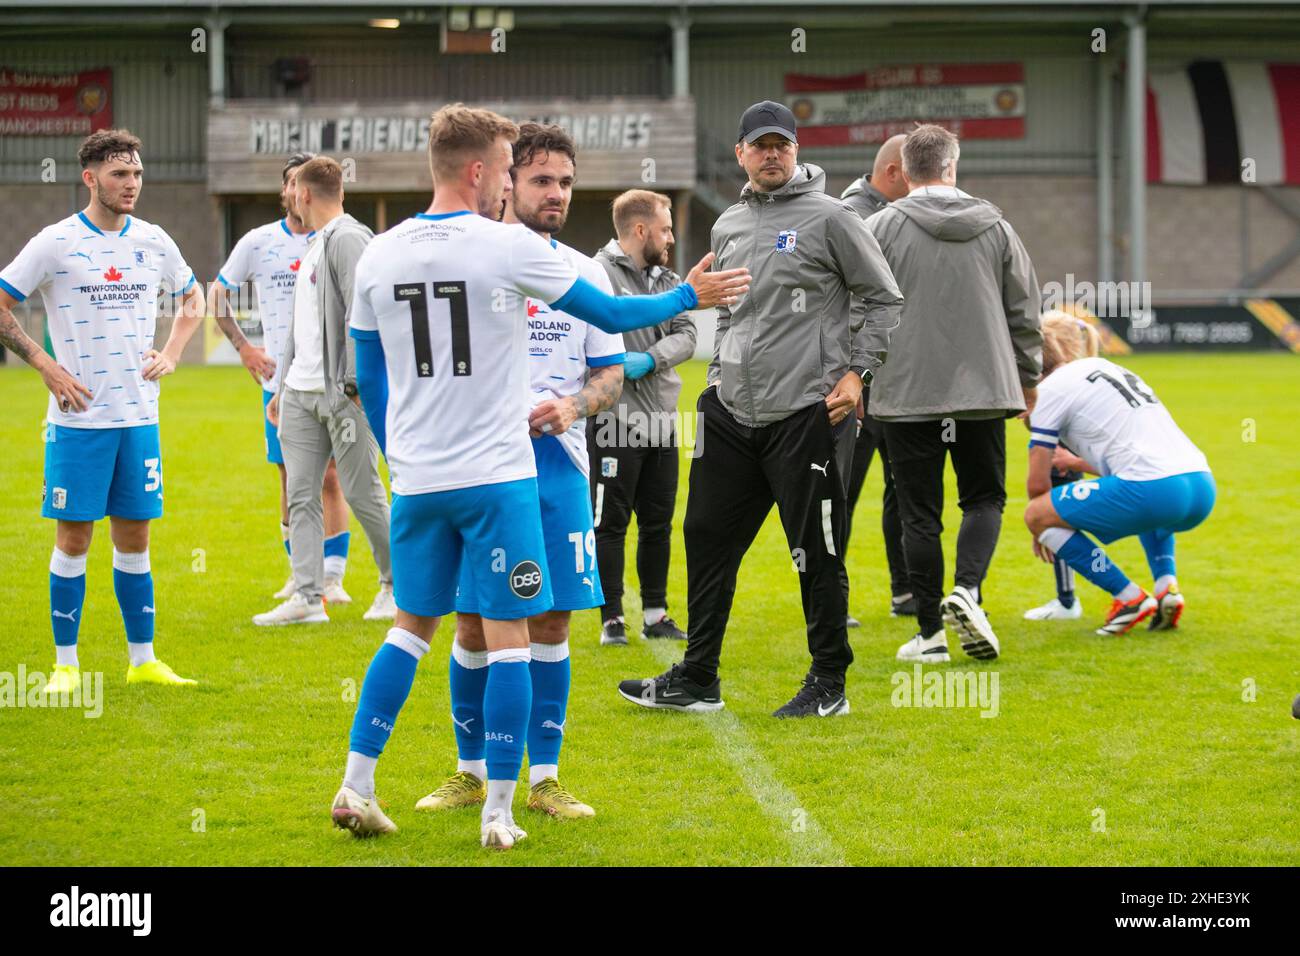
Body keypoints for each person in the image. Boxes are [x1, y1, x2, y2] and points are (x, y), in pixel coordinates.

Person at [330, 103, 747, 848]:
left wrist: (403, 454)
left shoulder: (380, 253)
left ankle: (356, 784)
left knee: (408, 631)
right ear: (486, 170)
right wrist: (689, 297)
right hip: (499, 473)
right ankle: (498, 811)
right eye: (517, 170)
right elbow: (616, 318)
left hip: (422, 478)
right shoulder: (502, 247)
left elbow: (367, 371)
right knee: (509, 637)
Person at [618, 99, 904, 719]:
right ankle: (699, 678)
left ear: (796, 152)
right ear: (742, 154)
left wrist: (857, 375)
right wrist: (718, 371)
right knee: (706, 537)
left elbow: (883, 298)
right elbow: (728, 311)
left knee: (816, 549)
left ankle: (830, 683)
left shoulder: (832, 218)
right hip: (730, 411)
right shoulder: (726, 225)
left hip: (808, 411)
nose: (771, 154)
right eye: (759, 144)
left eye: (782, 144)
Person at [415, 123, 625, 821]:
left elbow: (611, 372)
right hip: (477, 465)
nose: (557, 194)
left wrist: (574, 405)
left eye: (566, 182)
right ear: (505, 182)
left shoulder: (586, 274)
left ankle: (546, 779)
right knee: (473, 621)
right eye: (541, 180)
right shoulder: (469, 264)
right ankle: (470, 772)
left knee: (553, 619)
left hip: (558, 470)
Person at [0, 128, 205, 691]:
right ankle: (65, 667)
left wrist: (172, 351)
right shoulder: (55, 242)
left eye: (137, 173)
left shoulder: (155, 241)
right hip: (77, 422)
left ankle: (144, 661)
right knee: (73, 540)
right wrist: (46, 365)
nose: (132, 183)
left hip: (139, 417)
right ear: (90, 178)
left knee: (135, 540)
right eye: (120, 174)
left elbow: (195, 295)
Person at [866, 124, 1042, 665]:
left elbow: (856, 309)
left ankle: (929, 636)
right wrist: (1029, 381)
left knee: (919, 514)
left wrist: (856, 374)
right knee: (984, 499)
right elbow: (1025, 310)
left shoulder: (878, 228)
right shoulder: (998, 228)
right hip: (984, 390)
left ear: (906, 169)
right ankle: (967, 590)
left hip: (905, 393)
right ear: (952, 166)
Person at [253, 157, 395, 626]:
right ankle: (309, 598)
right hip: (299, 392)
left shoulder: (349, 239)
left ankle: (398, 586)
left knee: (362, 492)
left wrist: (354, 384)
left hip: (342, 394)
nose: (289, 194)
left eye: (293, 187)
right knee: (300, 494)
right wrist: (283, 385)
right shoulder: (315, 245)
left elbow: (365, 310)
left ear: (304, 194)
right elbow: (303, 323)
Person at [208, 153, 354, 606]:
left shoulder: (338, 239)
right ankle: (300, 575)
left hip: (333, 382)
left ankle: (333, 578)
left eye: (303, 183)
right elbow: (216, 295)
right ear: (285, 190)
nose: (297, 191)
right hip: (282, 386)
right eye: (290, 182)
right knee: (292, 480)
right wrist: (245, 349)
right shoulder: (258, 242)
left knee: (333, 477)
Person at [1024, 314, 1214, 635]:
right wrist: (1077, 463)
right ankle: (1167, 587)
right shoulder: (1107, 369)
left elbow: (1038, 480)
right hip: (1200, 484)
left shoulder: (1048, 393)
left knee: (1037, 514)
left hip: (1156, 491)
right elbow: (1129, 460)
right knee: (1143, 496)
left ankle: (1129, 597)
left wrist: (1040, 526)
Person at [590, 189, 696, 645]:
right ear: (640, 230)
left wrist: (650, 360)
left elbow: (689, 334)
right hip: (614, 419)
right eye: (666, 228)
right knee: (610, 522)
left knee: (658, 522)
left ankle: (655, 614)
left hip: (662, 423)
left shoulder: (671, 280)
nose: (671, 237)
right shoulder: (596, 276)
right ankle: (612, 617)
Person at [840, 134, 913, 623]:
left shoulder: (893, 216)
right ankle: (832, 595)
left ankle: (905, 590)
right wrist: (854, 373)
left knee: (903, 486)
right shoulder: (851, 218)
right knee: (841, 489)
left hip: (896, 379)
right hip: (859, 382)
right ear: (892, 174)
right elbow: (845, 305)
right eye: (916, 178)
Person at [1022, 310, 1102, 621]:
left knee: (1059, 521)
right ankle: (1067, 597)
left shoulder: (1058, 384)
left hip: (1061, 459)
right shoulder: (1076, 376)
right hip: (1066, 456)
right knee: (1061, 520)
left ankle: (1067, 600)